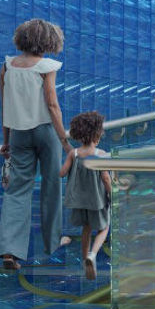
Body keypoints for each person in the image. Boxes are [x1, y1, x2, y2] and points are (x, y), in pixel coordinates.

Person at [0, 18, 71, 271]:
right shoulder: (47, 66)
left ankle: (10, 250)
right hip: (46, 132)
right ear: (49, 40)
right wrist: (65, 142)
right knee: (51, 186)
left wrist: (6, 140)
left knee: (17, 191)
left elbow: (6, 106)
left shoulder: (7, 66)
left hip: (18, 133)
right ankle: (52, 242)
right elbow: (52, 105)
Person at [60, 110, 111, 280]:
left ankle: (84, 261)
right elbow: (105, 178)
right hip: (97, 201)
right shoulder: (100, 155)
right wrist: (114, 193)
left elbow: (61, 173)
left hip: (79, 201)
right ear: (97, 133)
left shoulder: (73, 154)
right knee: (104, 227)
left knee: (86, 229)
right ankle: (93, 254)